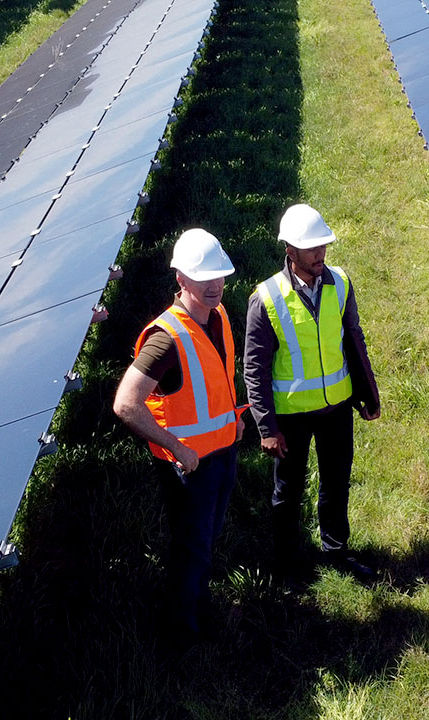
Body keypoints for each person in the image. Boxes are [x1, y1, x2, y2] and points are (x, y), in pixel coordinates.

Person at [112, 228, 245, 639]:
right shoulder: (165, 339)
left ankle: (196, 608)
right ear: (181, 280)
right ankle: (181, 636)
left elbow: (214, 380)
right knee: (191, 551)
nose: (214, 286)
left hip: (222, 453)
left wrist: (233, 418)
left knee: (203, 544)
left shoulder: (218, 316)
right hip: (190, 468)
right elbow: (125, 403)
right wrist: (177, 448)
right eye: (203, 278)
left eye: (219, 276)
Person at [244, 203, 381, 582]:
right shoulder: (266, 298)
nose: (320, 254)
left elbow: (354, 341)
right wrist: (267, 428)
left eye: (323, 245)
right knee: (288, 493)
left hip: (337, 408)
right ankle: (288, 566)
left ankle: (336, 552)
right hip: (291, 417)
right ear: (290, 249)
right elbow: (254, 368)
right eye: (311, 248)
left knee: (336, 483)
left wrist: (368, 396)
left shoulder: (341, 283)